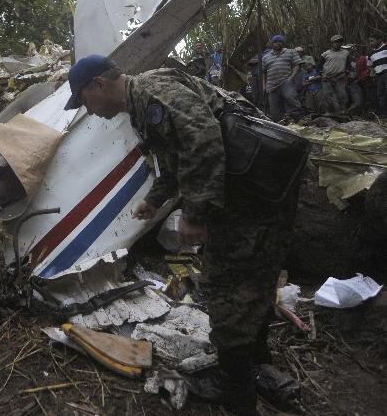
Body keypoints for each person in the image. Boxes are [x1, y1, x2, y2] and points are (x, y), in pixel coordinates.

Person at [64, 55, 300, 415]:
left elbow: (203, 141)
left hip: (255, 196)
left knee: (226, 285)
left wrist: (195, 214)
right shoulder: (144, 104)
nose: (89, 111)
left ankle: (236, 390)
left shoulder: (153, 92)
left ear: (99, 84)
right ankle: (254, 364)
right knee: (253, 282)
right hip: (254, 190)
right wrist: (155, 199)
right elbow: (177, 155)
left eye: (84, 100)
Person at [262, 34, 304, 122]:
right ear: (272, 44)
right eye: (276, 42)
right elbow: (264, 72)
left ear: (283, 43)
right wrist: (264, 85)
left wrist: (292, 77)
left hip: (286, 81)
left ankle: (299, 119)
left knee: (291, 99)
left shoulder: (291, 52)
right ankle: (279, 123)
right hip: (271, 84)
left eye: (280, 42)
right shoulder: (266, 57)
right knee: (274, 107)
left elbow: (298, 64)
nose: (278, 44)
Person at [320, 35, 350, 112]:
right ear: (332, 43)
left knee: (342, 95)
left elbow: (348, 66)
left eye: (340, 41)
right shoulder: (325, 54)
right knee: (327, 96)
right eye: (336, 42)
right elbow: (318, 66)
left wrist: (346, 73)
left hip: (340, 76)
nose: (338, 43)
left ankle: (343, 112)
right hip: (327, 77)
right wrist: (322, 74)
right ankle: (330, 112)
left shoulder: (346, 53)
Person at [368, 36, 387, 116]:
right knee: (381, 94)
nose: (370, 43)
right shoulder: (371, 54)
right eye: (369, 41)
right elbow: (370, 66)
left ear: (379, 40)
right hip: (379, 76)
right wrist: (372, 76)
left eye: (372, 40)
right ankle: (384, 113)